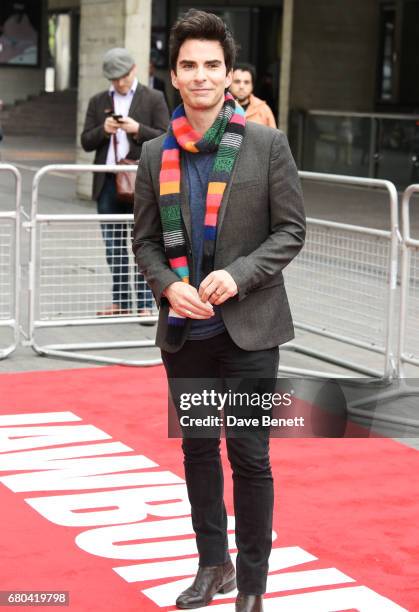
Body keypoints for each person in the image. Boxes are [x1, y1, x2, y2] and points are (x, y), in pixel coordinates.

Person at [133, 10, 305, 612]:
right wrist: (165, 286)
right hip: (187, 331)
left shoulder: (265, 144)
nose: (202, 76)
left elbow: (290, 232)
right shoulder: (156, 154)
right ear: (173, 76)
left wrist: (238, 274)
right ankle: (214, 567)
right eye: (189, 66)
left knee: (251, 456)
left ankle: (253, 586)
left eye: (213, 65)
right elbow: (146, 241)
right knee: (199, 450)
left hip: (252, 330)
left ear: (229, 74)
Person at [81, 47, 169, 321]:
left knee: (143, 243)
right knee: (112, 245)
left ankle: (145, 303)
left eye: (122, 76)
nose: (118, 82)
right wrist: (103, 130)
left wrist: (137, 129)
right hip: (108, 181)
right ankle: (121, 300)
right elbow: (85, 141)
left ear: (133, 70)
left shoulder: (153, 98)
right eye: (113, 78)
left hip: (141, 182)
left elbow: (166, 137)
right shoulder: (98, 101)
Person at [230, 63, 277, 128]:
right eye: (237, 81)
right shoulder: (220, 107)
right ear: (229, 83)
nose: (241, 86)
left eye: (246, 82)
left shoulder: (263, 109)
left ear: (252, 86)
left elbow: (273, 137)